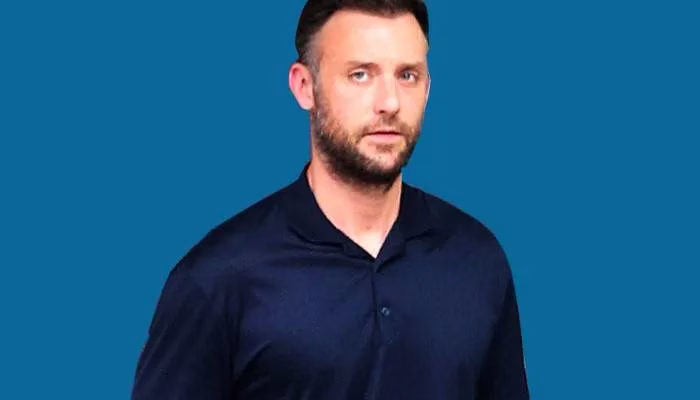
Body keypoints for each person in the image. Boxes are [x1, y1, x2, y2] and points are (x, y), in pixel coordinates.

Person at [131, 0, 530, 399]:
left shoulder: (477, 258)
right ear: (305, 86)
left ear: (427, 88)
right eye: (360, 75)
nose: (390, 102)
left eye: (407, 75)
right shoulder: (218, 278)